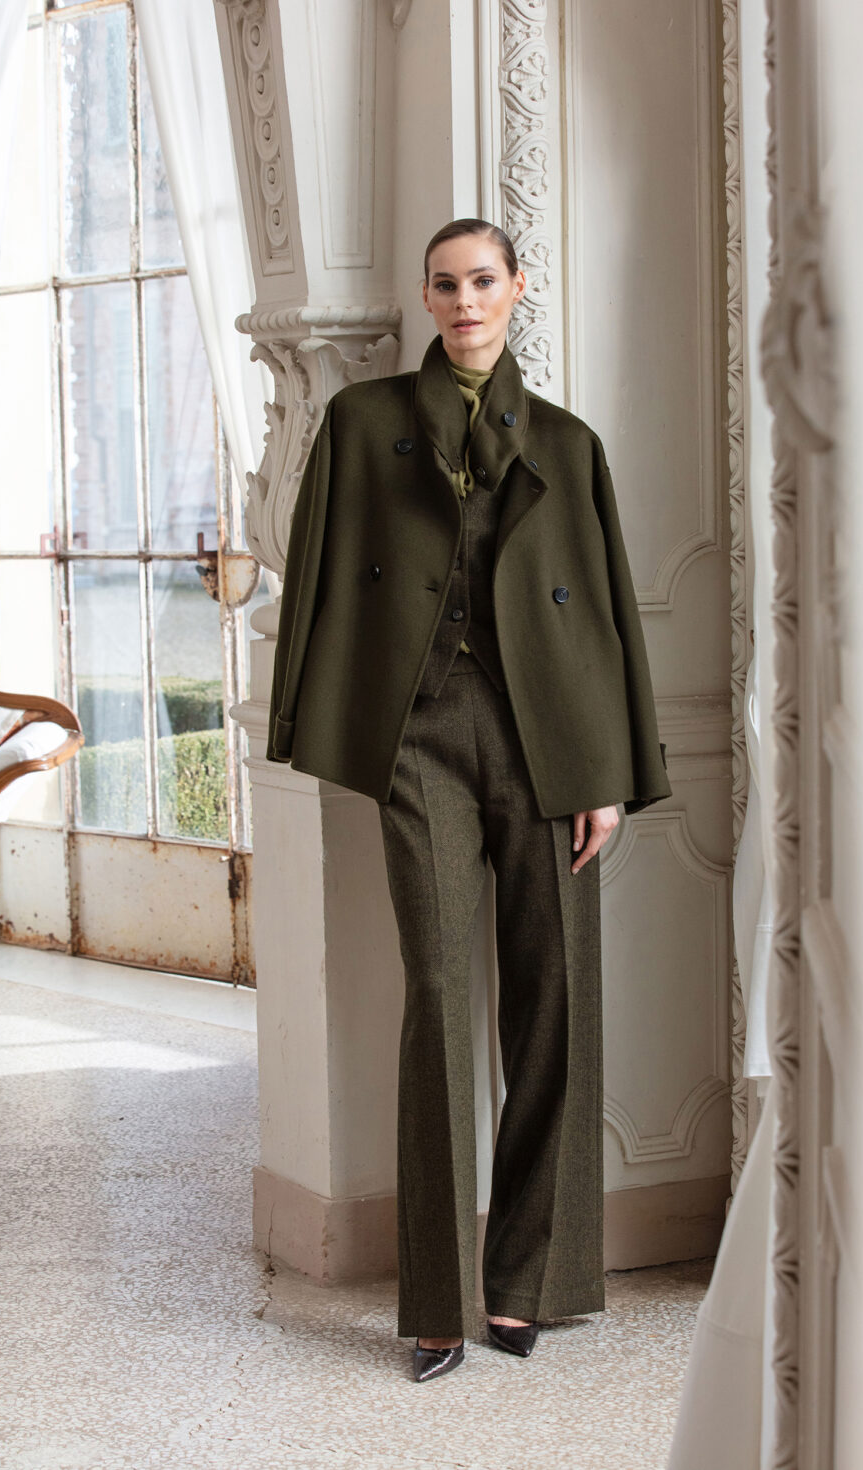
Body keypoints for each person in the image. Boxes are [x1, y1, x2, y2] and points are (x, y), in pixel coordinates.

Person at [267, 218, 671, 1382]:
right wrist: (310, 720)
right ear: (425, 296)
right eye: (444, 284)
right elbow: (318, 573)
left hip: (549, 745)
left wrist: (608, 775)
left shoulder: (567, 443)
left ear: (515, 288)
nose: (462, 301)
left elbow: (603, 615)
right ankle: (439, 1304)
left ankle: (528, 1285)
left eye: (481, 280)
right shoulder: (363, 423)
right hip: (420, 738)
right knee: (439, 997)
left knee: (554, 1004)